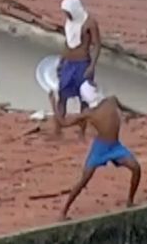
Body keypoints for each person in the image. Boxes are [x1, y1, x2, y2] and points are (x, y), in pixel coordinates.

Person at [48, 83, 141, 220]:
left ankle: (130, 201)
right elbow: (63, 122)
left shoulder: (111, 101)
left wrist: (134, 113)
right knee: (84, 180)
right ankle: (63, 211)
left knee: (136, 168)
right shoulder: (89, 113)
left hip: (115, 146)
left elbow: (123, 108)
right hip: (100, 148)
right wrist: (53, 104)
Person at [56, 0, 101, 135]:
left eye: (68, 12)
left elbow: (97, 45)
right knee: (62, 94)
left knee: (84, 98)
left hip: (82, 64)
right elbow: (67, 43)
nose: (66, 15)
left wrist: (91, 66)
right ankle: (59, 125)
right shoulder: (69, 23)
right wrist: (61, 61)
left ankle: (82, 130)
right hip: (68, 64)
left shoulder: (90, 23)